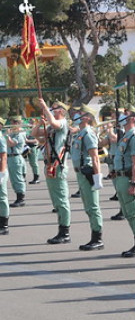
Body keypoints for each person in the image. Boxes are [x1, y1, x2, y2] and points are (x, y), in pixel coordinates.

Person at [70, 105, 105, 251]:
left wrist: (97, 178)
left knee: (93, 206)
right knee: (88, 207)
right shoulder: (80, 133)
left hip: (87, 173)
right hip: (81, 173)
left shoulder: (88, 134)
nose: (77, 115)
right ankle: (94, 236)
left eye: (80, 113)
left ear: (87, 117)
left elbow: (95, 157)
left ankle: (97, 238)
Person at [38, 99, 72, 244]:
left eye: (54, 108)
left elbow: (54, 123)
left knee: (62, 200)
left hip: (58, 166)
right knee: (56, 200)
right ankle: (61, 229)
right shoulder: (52, 127)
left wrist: (44, 107)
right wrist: (39, 123)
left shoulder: (62, 123)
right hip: (50, 165)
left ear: (61, 110)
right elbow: (35, 134)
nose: (52, 109)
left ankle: (65, 232)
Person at [114, 106, 135, 257]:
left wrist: (134, 182)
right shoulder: (126, 135)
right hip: (121, 177)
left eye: (125, 114)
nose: (121, 116)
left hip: (129, 177)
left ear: (133, 118)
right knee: (127, 212)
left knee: (134, 211)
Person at [6, 117, 27, 207]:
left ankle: (21, 198)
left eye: (13, 123)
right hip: (11, 157)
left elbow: (11, 143)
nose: (11, 124)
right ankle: (18, 197)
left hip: (16, 157)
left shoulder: (20, 133)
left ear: (17, 123)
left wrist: (6, 135)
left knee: (18, 179)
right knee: (14, 179)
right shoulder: (14, 133)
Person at [0, 117, 8, 234]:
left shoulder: (0, 138)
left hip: (0, 171)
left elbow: (3, 156)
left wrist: (1, 173)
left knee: (2, 197)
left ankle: (4, 225)